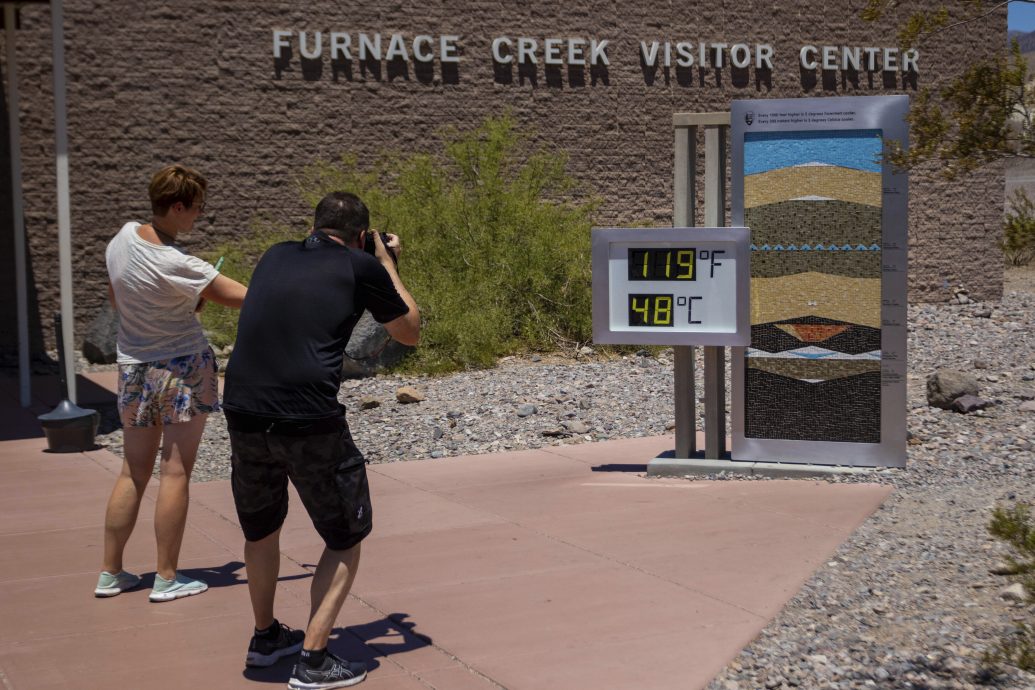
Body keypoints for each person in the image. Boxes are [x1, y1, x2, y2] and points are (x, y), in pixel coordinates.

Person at [222, 192, 419, 688]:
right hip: (308, 419)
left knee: (260, 530)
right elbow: (409, 330)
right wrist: (386, 262)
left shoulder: (274, 255)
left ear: (314, 225)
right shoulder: (361, 265)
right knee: (345, 537)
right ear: (361, 236)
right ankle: (313, 660)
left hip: (243, 411)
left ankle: (266, 637)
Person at [96, 164, 247, 602]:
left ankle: (110, 572)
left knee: (133, 471)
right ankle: (166, 578)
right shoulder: (178, 263)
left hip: (133, 367)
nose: (200, 215)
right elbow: (244, 297)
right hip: (182, 368)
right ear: (177, 207)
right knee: (175, 471)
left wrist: (170, 306)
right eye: (197, 208)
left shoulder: (122, 237)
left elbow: (117, 299)